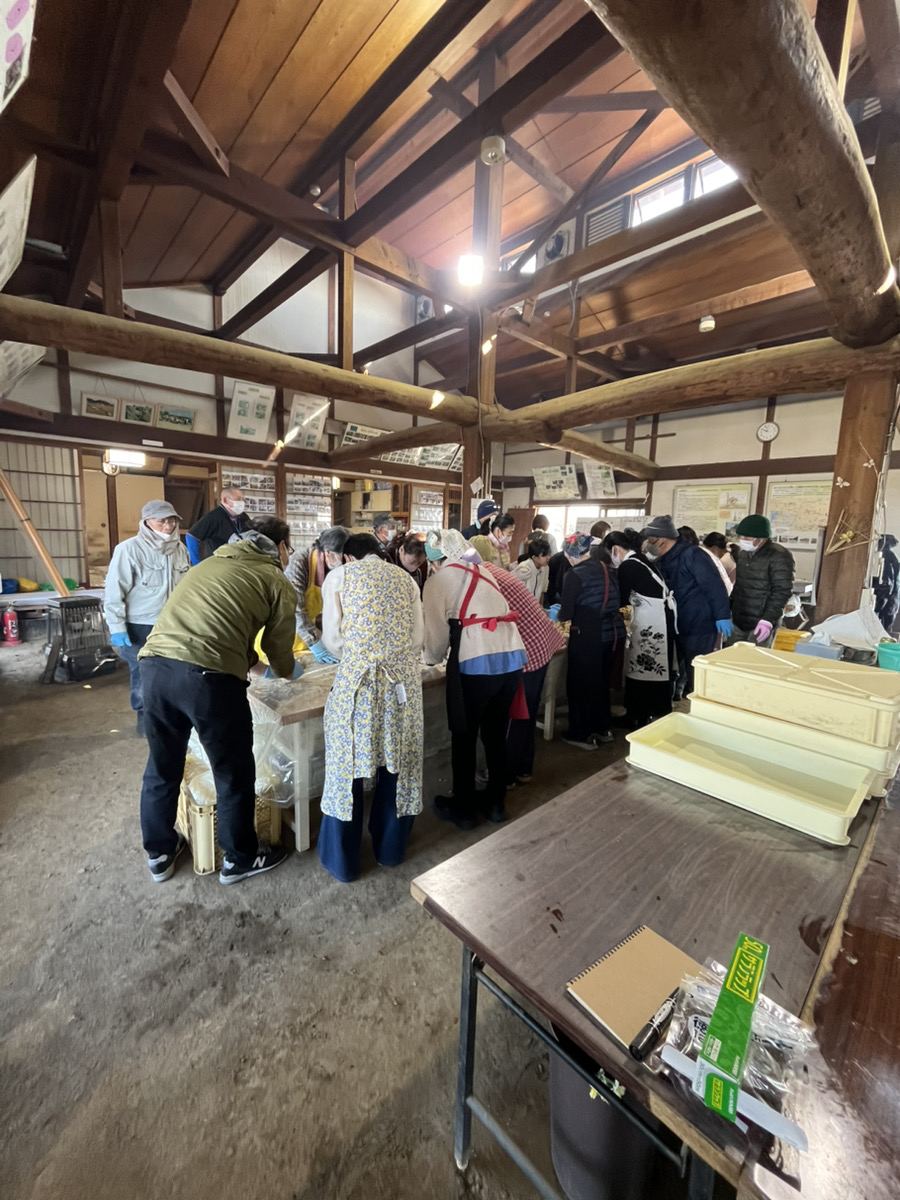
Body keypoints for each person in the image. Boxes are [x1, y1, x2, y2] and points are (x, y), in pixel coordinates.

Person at [137, 517, 297, 886]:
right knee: (233, 771)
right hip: (207, 681)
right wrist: (289, 670)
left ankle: (159, 853)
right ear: (281, 547)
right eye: (290, 548)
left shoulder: (211, 563)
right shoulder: (274, 580)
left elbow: (221, 631)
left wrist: (257, 669)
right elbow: (281, 656)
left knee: (163, 766)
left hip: (155, 669)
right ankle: (240, 858)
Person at [317, 533, 424, 883]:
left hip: (357, 687)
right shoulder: (406, 580)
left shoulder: (340, 577)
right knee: (398, 765)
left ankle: (343, 862)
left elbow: (333, 641)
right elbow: (417, 639)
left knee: (345, 768)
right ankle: (390, 850)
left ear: (349, 557)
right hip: (400, 687)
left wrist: (361, 651)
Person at [423, 528, 526, 827]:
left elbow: (435, 643)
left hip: (477, 661)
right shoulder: (483, 571)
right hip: (511, 656)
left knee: (464, 736)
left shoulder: (437, 581)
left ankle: (463, 809)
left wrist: (429, 659)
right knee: (495, 734)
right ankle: (496, 804)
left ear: (436, 560)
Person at [104, 500, 190, 736]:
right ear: (146, 522)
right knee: (143, 676)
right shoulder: (128, 549)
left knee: (174, 672)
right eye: (161, 520)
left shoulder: (179, 549)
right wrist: (117, 626)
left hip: (173, 624)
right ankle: (146, 724)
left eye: (171, 520)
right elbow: (114, 591)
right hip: (140, 625)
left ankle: (172, 720)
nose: (167, 525)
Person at [482, 562, 566, 785]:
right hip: (539, 641)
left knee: (516, 714)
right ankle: (523, 768)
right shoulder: (489, 570)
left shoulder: (482, 580)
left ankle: (505, 776)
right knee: (526, 713)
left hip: (528, 649)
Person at [640, 515, 732, 696]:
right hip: (678, 623)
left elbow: (714, 586)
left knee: (696, 671)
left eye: (650, 539)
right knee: (676, 669)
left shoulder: (693, 555)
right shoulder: (663, 558)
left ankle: (703, 707)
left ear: (662, 540)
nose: (648, 543)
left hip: (699, 624)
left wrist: (722, 615)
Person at [558, 533, 625, 749]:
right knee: (600, 683)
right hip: (613, 633)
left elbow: (566, 612)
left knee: (580, 684)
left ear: (569, 554)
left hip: (588, 634)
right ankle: (603, 728)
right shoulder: (607, 568)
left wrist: (557, 615)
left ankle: (581, 734)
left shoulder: (574, 575)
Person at [605, 528, 676, 727]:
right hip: (658, 617)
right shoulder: (641, 559)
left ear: (616, 549)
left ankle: (639, 714)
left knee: (644, 666)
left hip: (652, 620)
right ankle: (653, 710)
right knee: (649, 666)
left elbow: (622, 597)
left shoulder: (629, 565)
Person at [728, 515, 795, 647]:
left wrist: (768, 619)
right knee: (732, 660)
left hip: (761, 621)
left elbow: (782, 591)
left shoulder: (779, 556)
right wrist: (727, 609)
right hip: (739, 620)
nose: (743, 540)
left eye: (747, 537)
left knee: (754, 661)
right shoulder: (744, 554)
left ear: (761, 538)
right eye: (741, 536)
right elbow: (739, 586)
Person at [284, 525, 348, 664]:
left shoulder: (333, 569)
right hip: (285, 632)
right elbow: (294, 609)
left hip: (307, 635)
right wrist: (315, 644)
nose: (344, 563)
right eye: (342, 557)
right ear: (327, 552)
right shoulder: (299, 562)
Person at [186, 487, 252, 562]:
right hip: (219, 562)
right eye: (238, 499)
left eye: (242, 499)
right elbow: (191, 536)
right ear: (225, 500)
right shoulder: (213, 517)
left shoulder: (243, 517)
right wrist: (196, 563)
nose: (241, 502)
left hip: (240, 561)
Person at [511, 535, 551, 602]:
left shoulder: (546, 568)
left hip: (535, 607)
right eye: (544, 555)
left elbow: (543, 590)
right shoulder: (524, 569)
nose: (548, 557)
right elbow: (518, 595)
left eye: (549, 554)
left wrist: (540, 607)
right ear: (534, 557)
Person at [875, 535, 900, 632]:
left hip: (886, 603)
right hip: (893, 603)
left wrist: (877, 606)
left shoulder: (885, 555)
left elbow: (886, 584)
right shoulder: (893, 556)